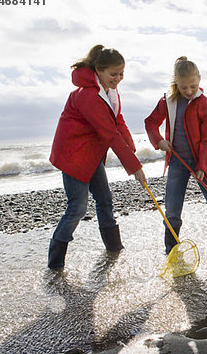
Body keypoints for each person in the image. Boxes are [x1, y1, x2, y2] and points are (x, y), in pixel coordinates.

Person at [48, 44, 147, 269]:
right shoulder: (87, 96)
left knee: (105, 199)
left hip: (92, 156)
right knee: (77, 207)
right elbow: (109, 133)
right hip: (73, 157)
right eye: (113, 74)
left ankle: (114, 248)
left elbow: (117, 120)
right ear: (98, 71)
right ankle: (55, 263)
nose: (118, 78)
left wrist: (130, 148)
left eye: (121, 73)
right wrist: (135, 167)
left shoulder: (110, 92)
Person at [144, 56, 207, 254]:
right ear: (176, 84)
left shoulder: (206, 105)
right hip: (177, 162)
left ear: (199, 79)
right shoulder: (168, 101)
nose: (189, 91)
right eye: (183, 88)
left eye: (193, 86)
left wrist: (202, 166)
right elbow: (150, 122)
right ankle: (171, 251)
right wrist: (158, 141)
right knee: (172, 209)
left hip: (202, 163)